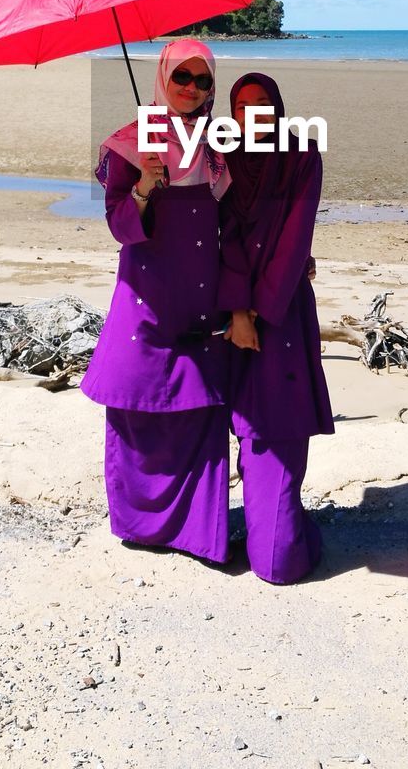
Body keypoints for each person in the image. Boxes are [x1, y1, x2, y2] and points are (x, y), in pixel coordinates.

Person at [80, 39, 233, 564]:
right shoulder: (129, 144)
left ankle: (199, 530)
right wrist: (145, 185)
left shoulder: (218, 145)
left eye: (204, 80)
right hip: (148, 295)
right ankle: (141, 523)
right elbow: (119, 227)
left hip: (202, 295)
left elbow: (237, 218)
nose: (192, 89)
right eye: (181, 78)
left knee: (200, 407)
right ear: (163, 79)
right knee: (139, 403)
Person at [218, 71, 335, 583]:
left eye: (262, 103)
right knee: (247, 425)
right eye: (241, 106)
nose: (251, 114)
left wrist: (262, 310)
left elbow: (294, 238)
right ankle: (272, 535)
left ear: (279, 107)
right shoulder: (222, 162)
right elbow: (223, 237)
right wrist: (239, 312)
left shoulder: (302, 157)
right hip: (234, 315)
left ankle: (279, 547)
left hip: (282, 313)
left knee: (279, 425)